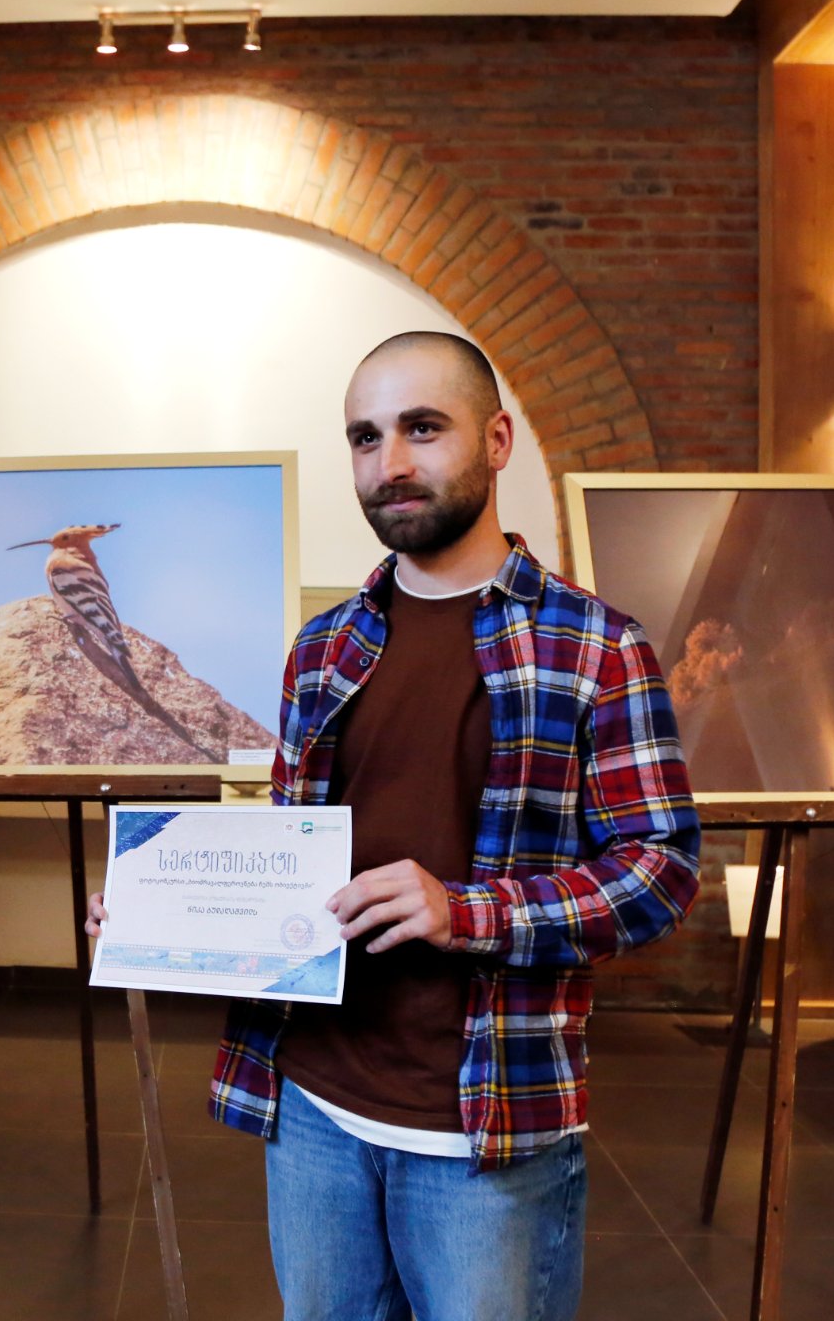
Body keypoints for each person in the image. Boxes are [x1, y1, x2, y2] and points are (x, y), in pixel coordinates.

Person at [89, 332, 700, 1321]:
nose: (391, 464)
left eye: (423, 428)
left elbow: (660, 872)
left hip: (484, 1121)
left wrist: (465, 913)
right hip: (313, 1109)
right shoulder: (322, 646)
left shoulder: (595, 647)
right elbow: (290, 849)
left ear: (496, 441)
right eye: (365, 438)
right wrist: (158, 910)